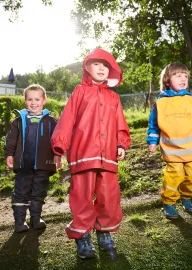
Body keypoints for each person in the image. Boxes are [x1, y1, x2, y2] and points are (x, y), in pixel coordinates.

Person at [51, 48, 131, 259]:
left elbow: (120, 123)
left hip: (108, 155)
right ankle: (83, 235)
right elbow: (67, 119)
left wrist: (121, 143)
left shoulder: (114, 97)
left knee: (108, 195)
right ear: (87, 67)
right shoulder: (80, 92)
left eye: (106, 66)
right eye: (97, 64)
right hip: (83, 152)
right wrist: (60, 146)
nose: (102, 68)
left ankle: (104, 232)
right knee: (82, 196)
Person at [146, 62, 192, 220]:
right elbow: (154, 125)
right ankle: (169, 202)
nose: (183, 79)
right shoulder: (160, 104)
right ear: (167, 80)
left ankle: (186, 197)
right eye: (178, 75)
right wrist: (152, 141)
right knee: (174, 176)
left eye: (185, 76)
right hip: (172, 150)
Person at [4, 84, 60, 233]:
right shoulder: (18, 122)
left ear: (44, 100)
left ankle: (36, 218)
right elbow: (10, 140)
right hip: (24, 165)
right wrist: (9, 154)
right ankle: (20, 221)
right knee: (21, 193)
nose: (33, 102)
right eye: (30, 99)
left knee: (39, 192)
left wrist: (57, 155)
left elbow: (57, 141)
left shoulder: (51, 122)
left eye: (37, 99)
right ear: (25, 101)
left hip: (43, 165)